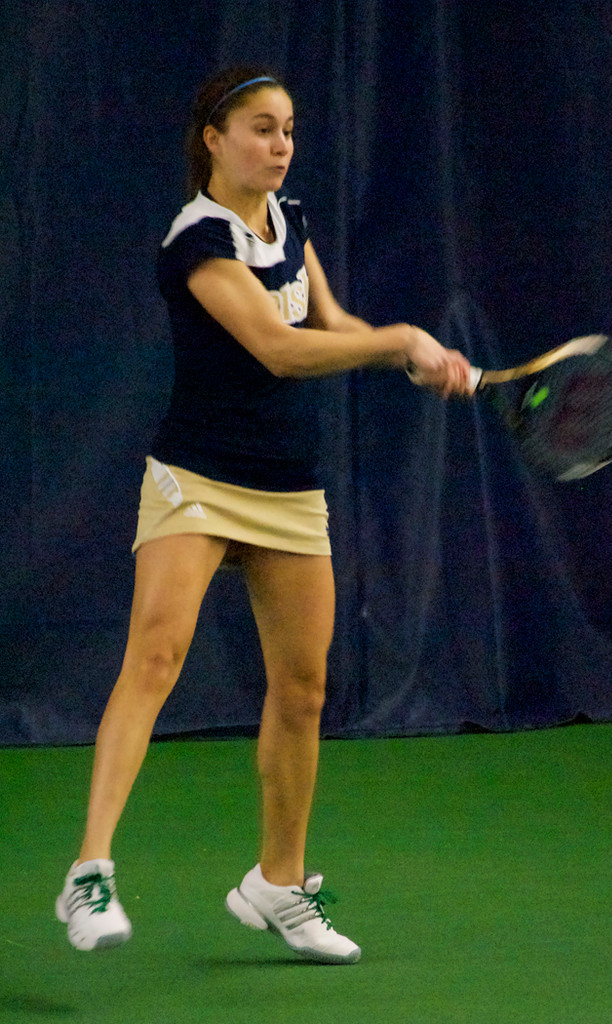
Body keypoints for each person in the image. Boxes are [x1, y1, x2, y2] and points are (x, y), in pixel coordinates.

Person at [55, 65, 471, 965]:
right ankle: (89, 872)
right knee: (157, 656)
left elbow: (329, 318)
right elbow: (281, 349)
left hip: (289, 486)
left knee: (306, 690)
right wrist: (397, 341)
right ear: (213, 135)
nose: (279, 146)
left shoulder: (292, 222)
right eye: (260, 129)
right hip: (198, 479)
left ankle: (278, 884)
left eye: (287, 130)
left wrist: (419, 360)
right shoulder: (194, 241)